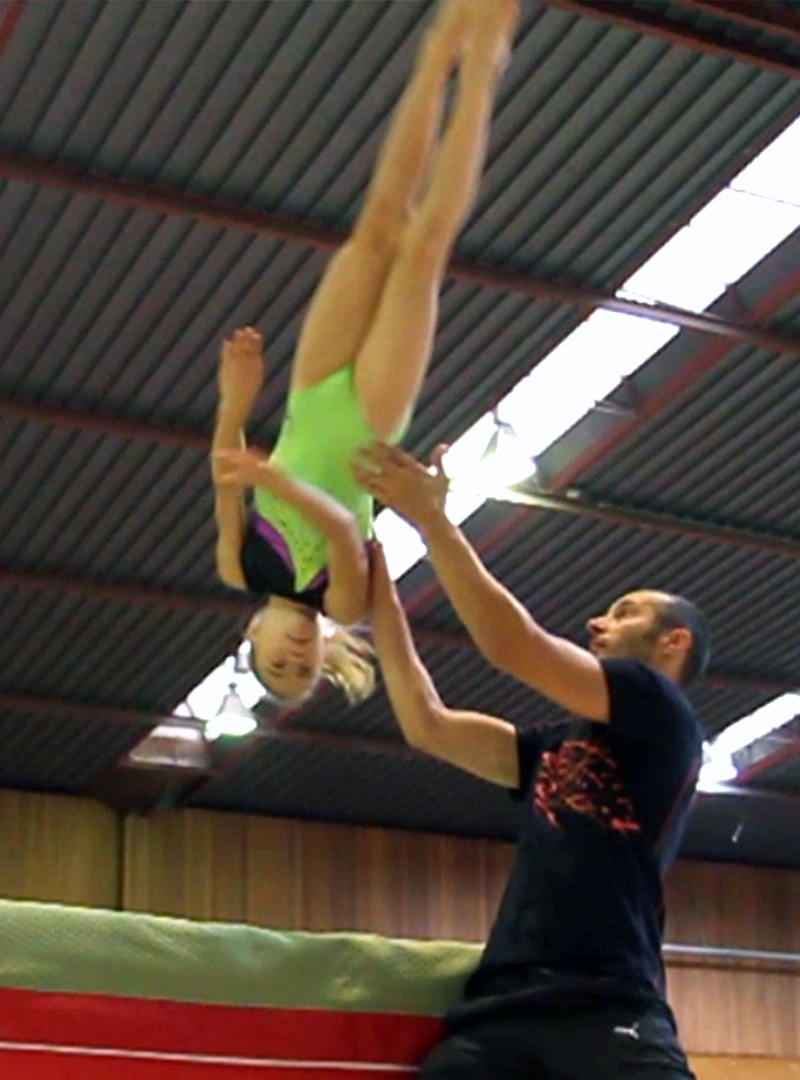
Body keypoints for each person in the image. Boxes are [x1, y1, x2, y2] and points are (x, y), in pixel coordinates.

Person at [353, 440, 711, 1080]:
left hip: (608, 1005)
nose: (599, 623)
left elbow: (512, 645)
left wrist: (433, 522)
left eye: (625, 612)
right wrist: (378, 584)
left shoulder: (660, 710)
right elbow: (427, 724)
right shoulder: (554, 746)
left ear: (672, 642)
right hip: (502, 1012)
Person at [209, 0, 516, 706]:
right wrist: (278, 483)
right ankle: (481, 78)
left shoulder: (238, 564)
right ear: (324, 654)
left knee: (377, 226)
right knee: (421, 253)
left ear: (250, 638)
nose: (293, 656)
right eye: (303, 669)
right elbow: (344, 528)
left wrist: (235, 402)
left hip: (310, 396)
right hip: (371, 424)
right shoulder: (342, 601)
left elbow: (226, 470)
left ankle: (440, 55)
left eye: (275, 664)